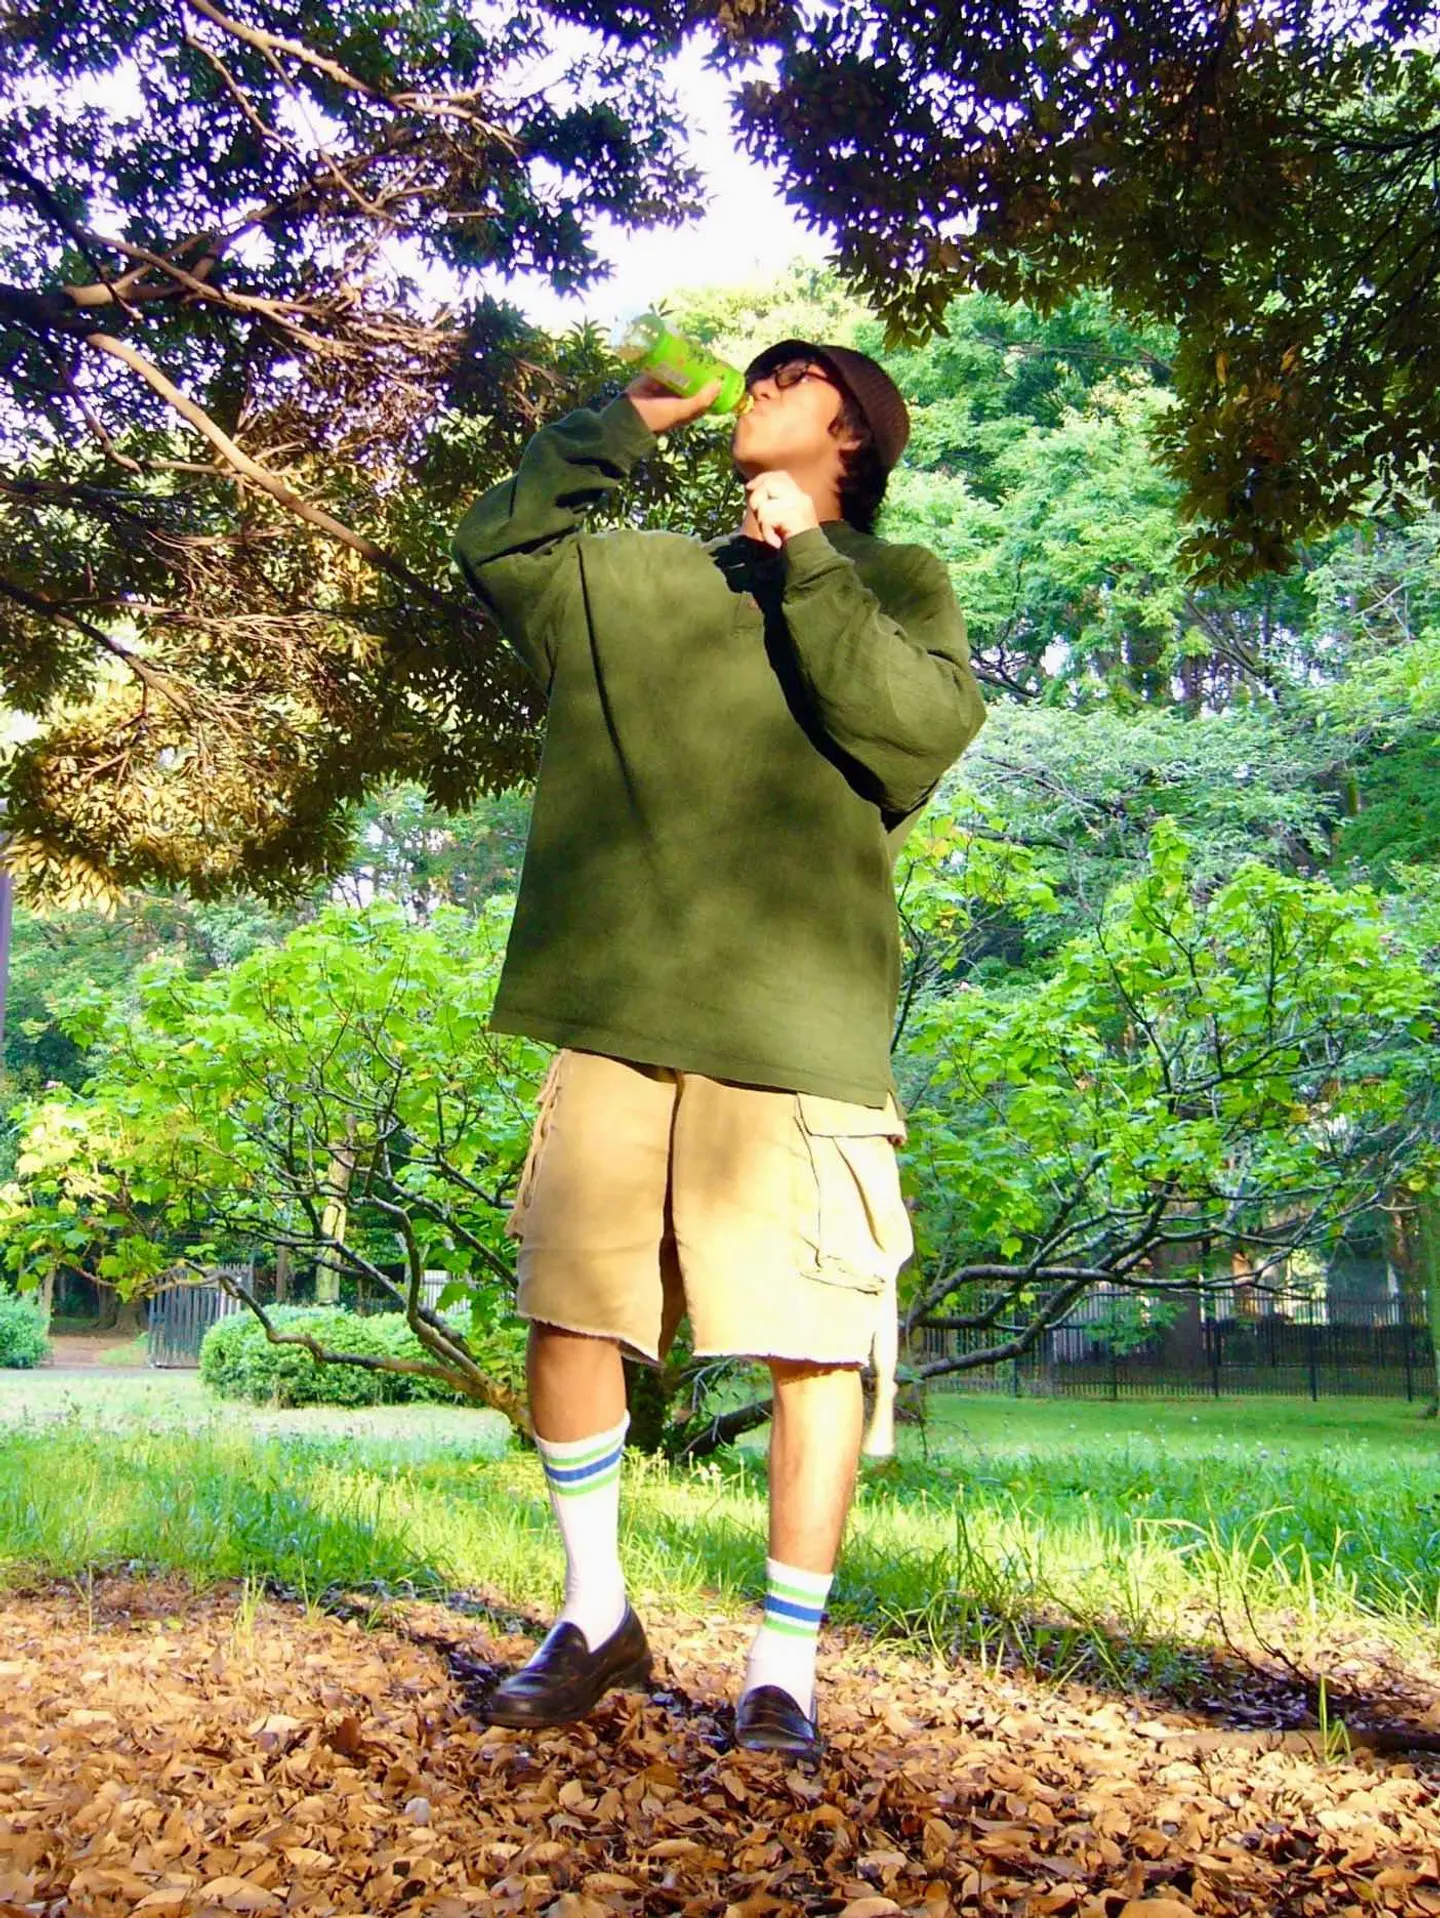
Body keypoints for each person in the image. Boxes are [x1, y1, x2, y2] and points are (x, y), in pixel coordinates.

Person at [451, 337, 986, 1764]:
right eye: (757, 372)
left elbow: (914, 731)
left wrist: (808, 559)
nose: (760, 382)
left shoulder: (896, 582)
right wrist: (617, 423)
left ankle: (782, 1671)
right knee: (572, 1312)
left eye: (794, 375)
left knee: (814, 1349)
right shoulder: (642, 582)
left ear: (853, 433)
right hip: (618, 1011)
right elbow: (500, 544)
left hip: (796, 1029)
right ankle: (595, 1616)